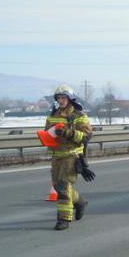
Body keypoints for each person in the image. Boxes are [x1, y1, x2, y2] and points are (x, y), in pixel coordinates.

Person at [45, 84, 93, 231]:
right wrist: (45, 136)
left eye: (63, 97)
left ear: (70, 98)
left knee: (63, 187)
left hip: (72, 156)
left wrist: (68, 133)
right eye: (59, 98)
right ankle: (80, 202)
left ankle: (64, 219)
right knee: (58, 186)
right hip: (56, 156)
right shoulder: (53, 115)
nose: (61, 100)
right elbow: (48, 131)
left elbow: (86, 136)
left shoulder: (78, 116)